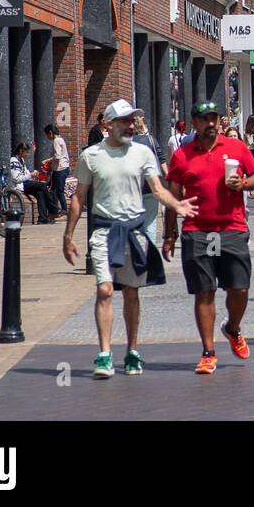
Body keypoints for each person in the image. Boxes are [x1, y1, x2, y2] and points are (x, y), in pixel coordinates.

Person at [65, 100, 197, 378]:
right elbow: (79, 197)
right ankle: (104, 354)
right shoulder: (91, 156)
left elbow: (157, 189)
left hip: (134, 231)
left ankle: (132, 351)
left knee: (131, 293)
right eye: (123, 120)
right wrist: (68, 235)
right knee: (105, 290)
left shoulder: (142, 153)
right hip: (103, 231)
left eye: (131, 120)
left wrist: (177, 205)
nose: (129, 125)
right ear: (108, 124)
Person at [162, 101, 254, 374]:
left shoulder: (236, 148)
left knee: (239, 288)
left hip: (232, 228)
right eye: (204, 119)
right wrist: (169, 235)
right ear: (193, 122)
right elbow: (172, 196)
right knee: (204, 291)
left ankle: (232, 328)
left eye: (214, 118)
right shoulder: (182, 155)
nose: (210, 124)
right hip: (197, 231)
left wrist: (243, 183)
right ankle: (208, 352)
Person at [9, 142, 54, 225]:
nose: (27, 154)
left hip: (26, 183)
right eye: (26, 152)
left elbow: (25, 173)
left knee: (40, 192)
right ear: (20, 151)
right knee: (43, 185)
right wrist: (30, 175)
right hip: (21, 185)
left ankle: (42, 218)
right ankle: (53, 209)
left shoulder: (21, 160)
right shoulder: (14, 161)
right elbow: (17, 179)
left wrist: (33, 174)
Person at [41, 122, 71, 218]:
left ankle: (63, 210)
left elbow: (57, 156)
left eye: (47, 135)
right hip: (61, 168)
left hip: (60, 169)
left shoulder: (56, 141)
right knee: (52, 189)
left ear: (50, 132)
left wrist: (46, 161)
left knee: (58, 191)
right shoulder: (61, 140)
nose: (47, 137)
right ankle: (54, 210)